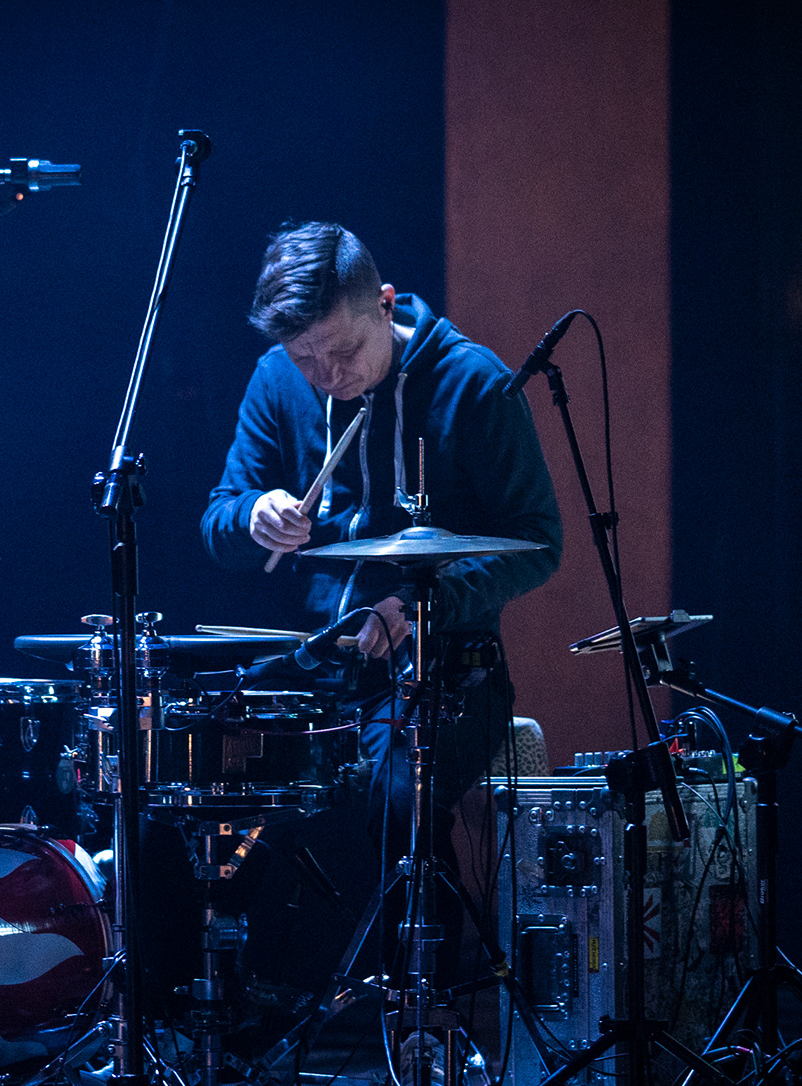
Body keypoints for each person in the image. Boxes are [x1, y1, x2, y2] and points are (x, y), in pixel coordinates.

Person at [200, 222, 562, 881]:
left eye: (344, 351)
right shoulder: (277, 379)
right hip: (309, 663)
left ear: (385, 303)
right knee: (188, 785)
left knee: (397, 800)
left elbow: (538, 540)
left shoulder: (473, 383)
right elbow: (217, 524)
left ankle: (413, 955)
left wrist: (427, 605)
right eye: (306, 358)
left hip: (443, 669)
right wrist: (251, 516)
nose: (328, 376)